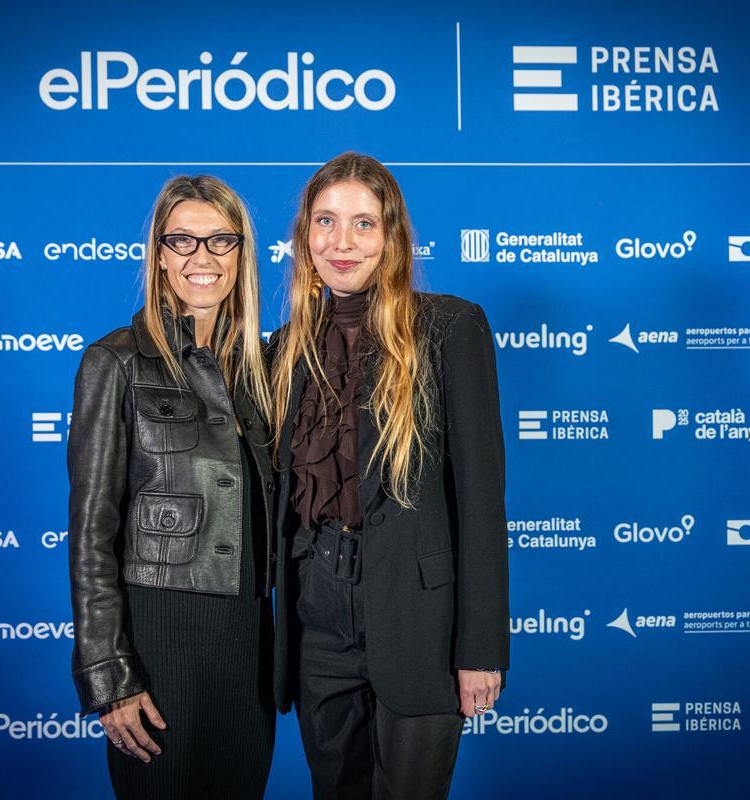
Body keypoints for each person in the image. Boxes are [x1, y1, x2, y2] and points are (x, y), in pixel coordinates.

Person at [268, 152, 510, 799]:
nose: (341, 242)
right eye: (326, 221)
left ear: (393, 237)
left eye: (363, 224)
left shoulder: (450, 329)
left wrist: (480, 646)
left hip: (421, 620)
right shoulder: (283, 349)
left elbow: (483, 502)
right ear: (305, 236)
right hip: (318, 615)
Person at [67, 175, 276, 799]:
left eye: (220, 240)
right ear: (158, 254)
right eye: (182, 241)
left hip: (247, 641)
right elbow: (90, 534)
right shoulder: (116, 361)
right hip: (158, 639)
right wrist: (109, 675)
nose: (201, 258)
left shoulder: (263, 369)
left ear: (241, 255)